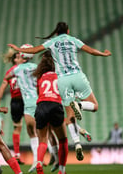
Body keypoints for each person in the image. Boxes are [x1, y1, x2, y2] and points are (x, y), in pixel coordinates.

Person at [8, 21, 111, 160]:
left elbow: (34, 50)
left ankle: (76, 142)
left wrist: (18, 50)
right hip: (77, 76)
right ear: (68, 31)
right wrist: (103, 54)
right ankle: (80, 105)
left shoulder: (52, 42)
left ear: (56, 32)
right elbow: (91, 51)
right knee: (95, 106)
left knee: (69, 116)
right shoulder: (73, 40)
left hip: (62, 80)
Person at [3, 44, 39, 173]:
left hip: (28, 103)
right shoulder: (36, 67)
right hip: (39, 101)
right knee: (43, 132)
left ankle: (36, 161)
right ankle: (50, 158)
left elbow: (6, 78)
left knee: (31, 132)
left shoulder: (17, 70)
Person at [33, 51, 68, 174]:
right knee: (63, 140)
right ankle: (62, 171)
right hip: (55, 105)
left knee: (42, 139)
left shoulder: (40, 77)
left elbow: (39, 92)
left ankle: (39, 163)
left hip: (41, 105)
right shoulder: (60, 75)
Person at [0, 49, 25, 164]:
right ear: (15, 60)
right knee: (31, 127)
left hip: (15, 102)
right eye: (19, 57)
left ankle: (17, 154)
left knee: (17, 128)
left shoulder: (9, 72)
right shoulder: (24, 69)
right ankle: (36, 157)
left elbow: (3, 87)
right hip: (25, 101)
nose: (21, 59)